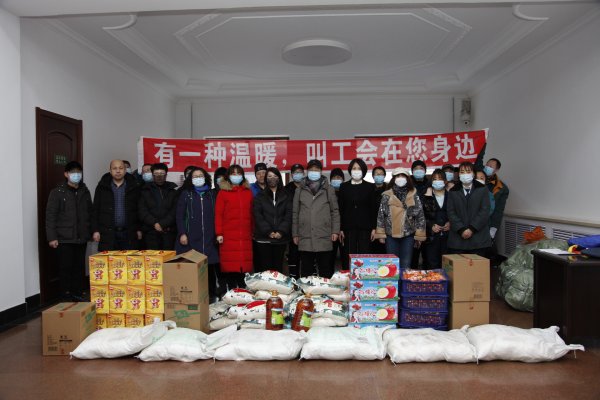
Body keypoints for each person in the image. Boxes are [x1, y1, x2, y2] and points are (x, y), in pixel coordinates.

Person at [46, 161, 92, 301]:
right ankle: (65, 296)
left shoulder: (85, 191)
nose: (76, 175)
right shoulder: (57, 192)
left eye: (78, 172)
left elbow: (90, 213)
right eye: (73, 172)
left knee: (79, 268)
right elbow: (50, 216)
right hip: (64, 238)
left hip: (81, 237)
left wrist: (90, 232)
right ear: (66, 174)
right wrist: (51, 237)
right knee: (65, 268)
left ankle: (77, 293)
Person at [176, 167, 220, 300]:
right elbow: (180, 216)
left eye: (200, 175)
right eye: (195, 176)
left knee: (210, 268)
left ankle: (211, 297)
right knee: (192, 267)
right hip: (191, 237)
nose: (198, 178)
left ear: (205, 177)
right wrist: (182, 233)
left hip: (209, 237)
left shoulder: (212, 194)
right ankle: (195, 297)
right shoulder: (186, 194)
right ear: (190, 179)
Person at [292, 159, 340, 278]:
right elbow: (295, 212)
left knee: (325, 269)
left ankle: (325, 290)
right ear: (307, 171)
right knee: (306, 270)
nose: (314, 172)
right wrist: (295, 233)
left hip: (324, 234)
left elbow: (334, 211)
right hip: (305, 234)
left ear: (321, 171)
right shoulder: (299, 190)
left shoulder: (328, 189)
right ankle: (306, 290)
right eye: (311, 169)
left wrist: (335, 231)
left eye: (316, 169)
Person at [375, 168, 426, 269]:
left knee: (406, 264)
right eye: (398, 176)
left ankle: (404, 280)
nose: (400, 178)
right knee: (392, 265)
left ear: (407, 178)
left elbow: (420, 215)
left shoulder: (413, 194)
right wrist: (380, 234)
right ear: (394, 178)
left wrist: (419, 235)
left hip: (408, 235)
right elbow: (381, 215)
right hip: (391, 235)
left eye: (403, 176)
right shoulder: (387, 195)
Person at [215, 164, 254, 290]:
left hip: (245, 234)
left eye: (239, 173)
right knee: (230, 266)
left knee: (243, 265)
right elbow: (218, 215)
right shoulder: (223, 193)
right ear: (228, 176)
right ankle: (232, 291)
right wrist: (219, 233)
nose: (236, 176)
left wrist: (253, 230)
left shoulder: (248, 192)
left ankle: (243, 291)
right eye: (233, 173)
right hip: (228, 235)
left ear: (243, 176)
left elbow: (252, 214)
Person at [92, 160, 142, 251]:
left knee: (129, 259)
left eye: (121, 168)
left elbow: (139, 209)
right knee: (109, 259)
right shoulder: (102, 187)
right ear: (110, 171)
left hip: (129, 233)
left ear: (125, 170)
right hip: (108, 233)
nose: (118, 171)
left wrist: (139, 229)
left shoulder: (134, 186)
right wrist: (95, 230)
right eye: (114, 168)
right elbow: (95, 209)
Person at [447, 162, 492, 257]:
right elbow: (451, 212)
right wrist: (461, 229)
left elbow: (485, 211)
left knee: (478, 265)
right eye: (462, 172)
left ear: (473, 174)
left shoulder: (482, 189)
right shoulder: (453, 191)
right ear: (458, 174)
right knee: (459, 266)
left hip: (478, 239)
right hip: (458, 239)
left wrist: (472, 229)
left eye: (468, 171)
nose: (465, 174)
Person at [253, 167, 292, 272]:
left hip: (280, 239)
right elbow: (258, 215)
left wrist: (281, 231)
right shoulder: (259, 196)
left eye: (275, 176)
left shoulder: (286, 195)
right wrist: (268, 231)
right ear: (266, 178)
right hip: (263, 238)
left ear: (279, 178)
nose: (272, 178)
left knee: (278, 269)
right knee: (265, 269)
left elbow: (288, 215)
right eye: (269, 176)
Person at [338, 159, 375, 268]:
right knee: (348, 256)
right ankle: (348, 277)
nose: (356, 171)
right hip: (348, 228)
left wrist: (374, 228)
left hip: (365, 228)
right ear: (350, 170)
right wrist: (340, 228)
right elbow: (340, 208)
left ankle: (364, 277)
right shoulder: (344, 186)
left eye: (359, 168)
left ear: (363, 170)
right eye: (354, 168)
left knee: (365, 256)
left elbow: (373, 208)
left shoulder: (370, 187)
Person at [138, 163, 179, 250]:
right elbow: (142, 211)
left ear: (166, 175)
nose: (159, 176)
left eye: (162, 173)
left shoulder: (173, 190)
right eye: (156, 173)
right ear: (152, 175)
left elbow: (175, 210)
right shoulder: (144, 190)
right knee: (152, 257)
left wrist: (163, 224)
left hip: (169, 232)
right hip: (150, 232)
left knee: (169, 257)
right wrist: (155, 223)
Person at [422, 169, 450, 269]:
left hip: (448, 237)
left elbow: (457, 213)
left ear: (445, 181)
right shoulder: (425, 196)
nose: (437, 181)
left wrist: (451, 223)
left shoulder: (451, 195)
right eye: (435, 179)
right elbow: (421, 216)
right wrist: (431, 225)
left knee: (447, 266)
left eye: (440, 179)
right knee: (432, 264)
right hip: (431, 237)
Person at [284, 163, 305, 277]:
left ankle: (306, 280)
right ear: (292, 175)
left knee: (306, 256)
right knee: (293, 255)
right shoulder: (286, 189)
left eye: (300, 172)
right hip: (292, 227)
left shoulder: (309, 187)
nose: (298, 174)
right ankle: (294, 280)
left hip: (307, 226)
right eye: (296, 173)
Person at [484, 158, 509, 242]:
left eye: (490, 166)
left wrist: (493, 228)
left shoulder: (502, 188)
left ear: (496, 170)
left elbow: (499, 210)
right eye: (487, 165)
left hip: (488, 222)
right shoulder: (476, 181)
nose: (487, 167)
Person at [410, 160, 429, 268]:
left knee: (428, 257)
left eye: (421, 168)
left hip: (428, 225)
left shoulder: (430, 184)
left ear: (425, 171)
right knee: (413, 257)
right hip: (412, 226)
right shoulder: (407, 185)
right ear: (412, 171)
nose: (418, 171)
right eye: (416, 169)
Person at [328, 168, 345, 271]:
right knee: (329, 258)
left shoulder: (347, 192)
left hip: (344, 231)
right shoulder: (327, 193)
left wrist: (342, 228)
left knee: (345, 258)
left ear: (343, 179)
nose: (336, 179)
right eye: (334, 178)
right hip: (330, 231)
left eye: (339, 177)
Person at [371, 166, 388, 254]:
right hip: (372, 228)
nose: (379, 176)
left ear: (384, 176)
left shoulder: (389, 190)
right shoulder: (369, 189)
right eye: (377, 174)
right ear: (373, 176)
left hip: (387, 228)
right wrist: (373, 228)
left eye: (381, 174)